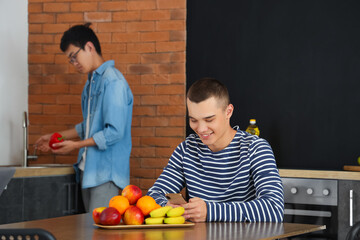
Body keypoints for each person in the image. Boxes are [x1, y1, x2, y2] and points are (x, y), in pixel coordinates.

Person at [147, 78, 284, 222]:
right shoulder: (186, 149)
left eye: (209, 120)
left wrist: (210, 211)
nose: (200, 129)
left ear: (228, 112)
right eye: (193, 120)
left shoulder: (255, 148)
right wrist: (167, 207)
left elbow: (274, 208)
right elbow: (154, 195)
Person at [35, 23, 133, 212]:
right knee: (88, 233)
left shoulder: (113, 82)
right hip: (88, 172)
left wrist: (76, 145)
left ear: (89, 47)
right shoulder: (90, 85)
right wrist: (57, 136)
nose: (74, 63)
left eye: (74, 56)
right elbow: (89, 126)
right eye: (70, 60)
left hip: (107, 175)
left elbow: (114, 132)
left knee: (99, 234)